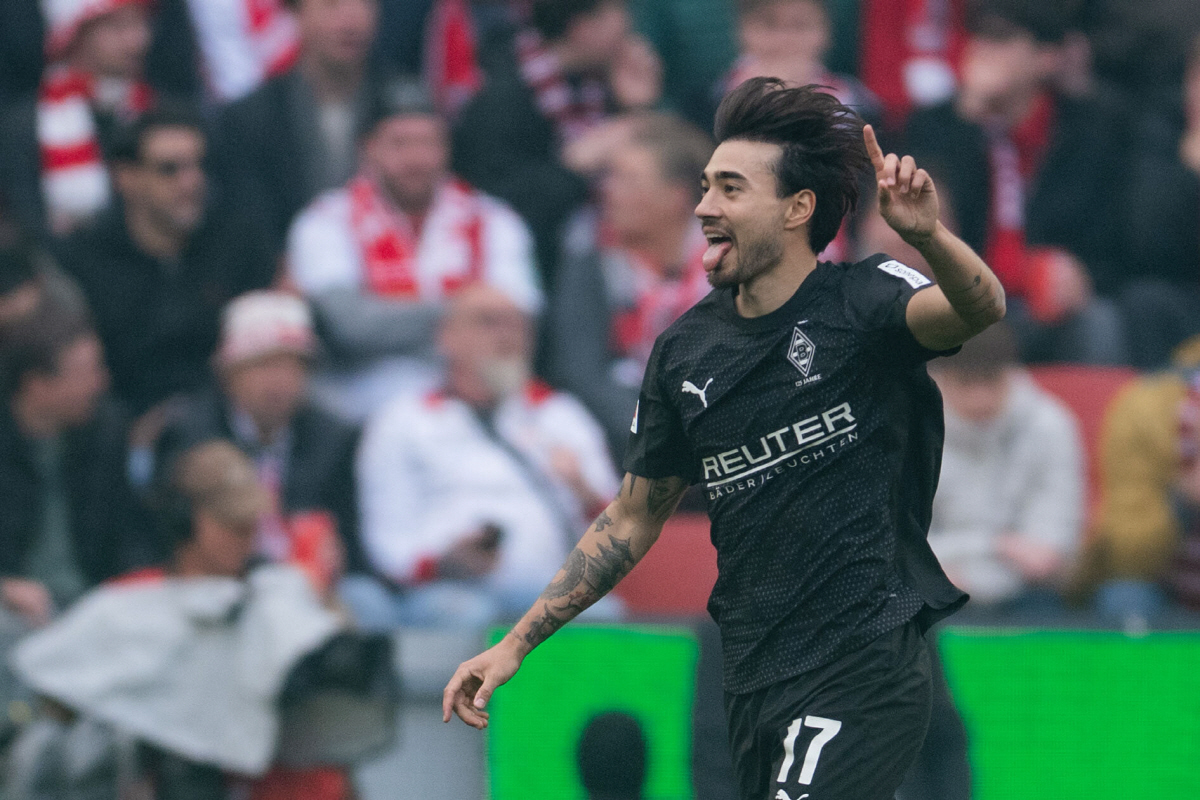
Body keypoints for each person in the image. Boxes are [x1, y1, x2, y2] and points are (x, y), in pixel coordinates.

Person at [444, 77, 1005, 800]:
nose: (705, 207)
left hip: (864, 658)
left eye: (731, 189)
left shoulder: (864, 299)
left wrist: (927, 233)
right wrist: (515, 644)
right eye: (706, 187)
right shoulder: (684, 354)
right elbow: (632, 518)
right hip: (753, 672)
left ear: (797, 208)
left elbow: (979, 307)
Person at [9, 440, 391, 800]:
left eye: (251, 523)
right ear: (185, 519)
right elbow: (57, 693)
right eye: (231, 523)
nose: (247, 537)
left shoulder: (282, 594)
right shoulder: (131, 601)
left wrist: (322, 602)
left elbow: (345, 711)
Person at [351, 283, 619, 629]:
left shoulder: (560, 415)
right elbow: (387, 541)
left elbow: (618, 534)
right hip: (445, 592)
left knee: (603, 615)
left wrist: (582, 490)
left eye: (518, 324)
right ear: (446, 336)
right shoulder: (402, 422)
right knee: (467, 615)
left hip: (547, 591)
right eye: (488, 322)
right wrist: (444, 563)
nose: (507, 336)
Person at [286, 78, 542, 419]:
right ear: (367, 148)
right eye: (399, 144)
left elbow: (517, 321)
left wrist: (402, 319)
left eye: (427, 143)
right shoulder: (325, 220)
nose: (415, 158)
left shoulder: (495, 219)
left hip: (484, 390)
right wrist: (465, 315)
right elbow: (349, 325)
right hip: (366, 396)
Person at [904, 0, 1128, 365]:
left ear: (1046, 57)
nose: (981, 49)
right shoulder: (935, 126)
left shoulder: (1092, 129)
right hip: (961, 297)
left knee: (1098, 322)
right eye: (977, 36)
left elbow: (1114, 239)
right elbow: (925, 226)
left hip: (1047, 304)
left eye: (1001, 39)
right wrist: (968, 121)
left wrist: (1082, 274)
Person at [54, 106, 276, 421]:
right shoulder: (84, 261)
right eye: (170, 169)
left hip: (227, 421)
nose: (191, 182)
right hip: (120, 431)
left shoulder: (238, 244)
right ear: (126, 177)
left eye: (199, 166)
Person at [154, 291, 371, 588]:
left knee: (367, 598)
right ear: (228, 373)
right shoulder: (190, 435)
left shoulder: (334, 438)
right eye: (262, 365)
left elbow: (352, 541)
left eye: (290, 365)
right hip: (218, 584)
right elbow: (168, 540)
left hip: (311, 588)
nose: (277, 381)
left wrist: (334, 557)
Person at [452, 0, 661, 282]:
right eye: (618, 13)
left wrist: (638, 109)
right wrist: (574, 164)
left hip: (610, 266)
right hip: (535, 274)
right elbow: (501, 207)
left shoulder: (604, 86)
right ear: (582, 28)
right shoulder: (497, 99)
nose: (628, 26)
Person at [547, 112, 714, 459]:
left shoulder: (734, 262)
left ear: (677, 197)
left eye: (629, 181)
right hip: (629, 443)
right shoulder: (590, 259)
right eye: (610, 179)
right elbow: (582, 374)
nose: (610, 192)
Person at [0, 298, 151, 629]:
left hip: (92, 602)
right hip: (17, 608)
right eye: (84, 373)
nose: (100, 383)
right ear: (37, 385)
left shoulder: (105, 432)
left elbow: (126, 531)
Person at [928, 321, 1084, 615]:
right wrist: (998, 545)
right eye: (965, 382)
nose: (980, 397)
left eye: (991, 380)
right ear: (939, 377)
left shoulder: (1051, 425)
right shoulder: (910, 433)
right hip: (934, 591)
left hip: (1029, 593)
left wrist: (962, 564)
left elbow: (1050, 551)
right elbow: (901, 545)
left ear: (1012, 373)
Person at [215, 0, 383, 251]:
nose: (350, 22)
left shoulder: (404, 107)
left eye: (363, 5)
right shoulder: (250, 119)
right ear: (296, 13)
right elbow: (247, 219)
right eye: (332, 5)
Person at [0, 0, 156, 238]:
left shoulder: (158, 110)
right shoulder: (25, 126)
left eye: (140, 24)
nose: (137, 41)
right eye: (117, 27)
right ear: (75, 35)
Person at [1085, 337, 1200, 625]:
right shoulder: (1149, 406)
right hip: (1168, 579)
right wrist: (1180, 497)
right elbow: (1128, 556)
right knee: (1124, 595)